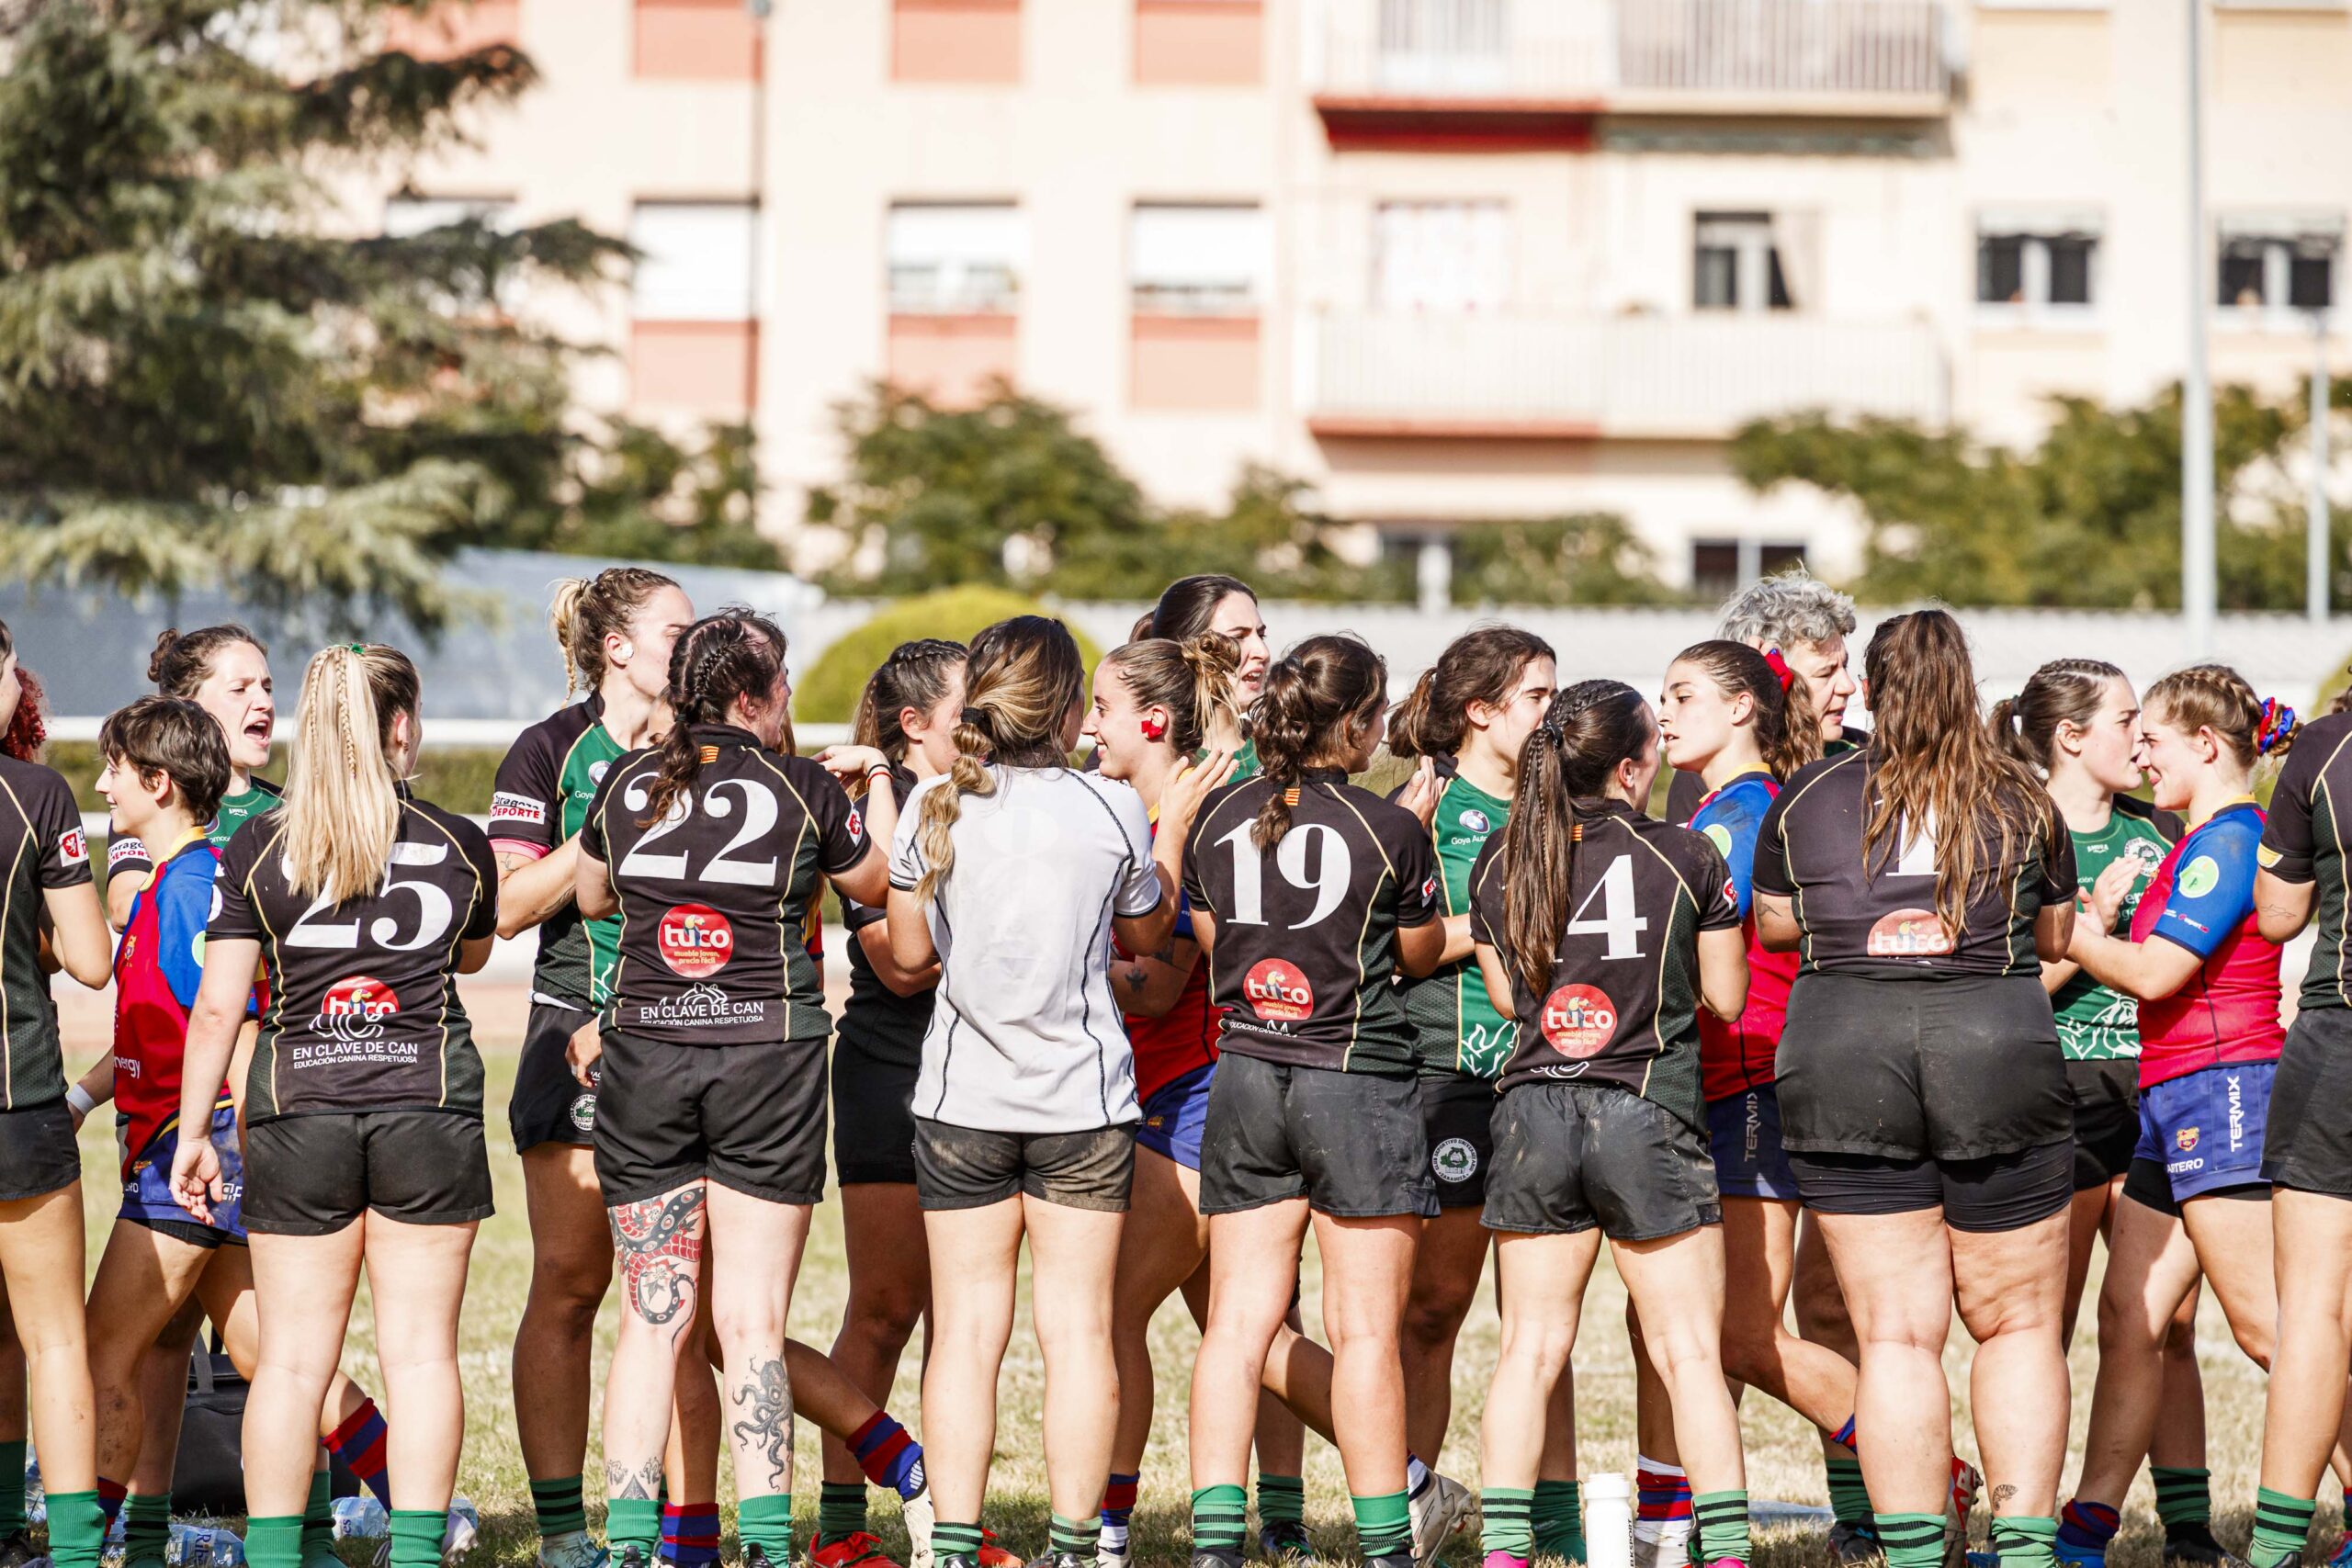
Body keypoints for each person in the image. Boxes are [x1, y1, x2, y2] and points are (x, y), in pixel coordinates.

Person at [1751, 609, 2075, 1568]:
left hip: (1845, 1046)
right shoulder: (2021, 793)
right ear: (1965, 685)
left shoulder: (1808, 792)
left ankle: (1912, 1552)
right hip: (1993, 1044)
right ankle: (2024, 1550)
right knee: (2018, 1326)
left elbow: (1776, 925)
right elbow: (2055, 936)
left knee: (1893, 1336)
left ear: (1871, 688)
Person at [574, 610, 897, 1568]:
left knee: (652, 1315)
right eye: (783, 682)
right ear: (751, 697)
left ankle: (629, 1546)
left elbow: (591, 896)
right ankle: (763, 1547)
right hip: (767, 1059)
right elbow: (877, 884)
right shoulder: (801, 786)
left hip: (646, 1055)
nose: (789, 697)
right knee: (752, 1324)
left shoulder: (627, 780)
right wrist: (878, 781)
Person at [885, 616, 1208, 1568]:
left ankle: (953, 1545)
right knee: (1076, 1332)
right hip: (1082, 1105)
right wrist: (1172, 831)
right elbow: (1146, 937)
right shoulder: (1109, 808)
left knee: (964, 1335)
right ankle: (1074, 1548)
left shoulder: (933, 801)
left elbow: (907, 951)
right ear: (1067, 708)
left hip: (961, 1102)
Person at [169, 643, 499, 1568]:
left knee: (289, 1360)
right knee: (422, 1354)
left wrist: (194, 1133)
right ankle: (418, 1553)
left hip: (298, 1107)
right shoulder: (456, 841)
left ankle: (277, 1556)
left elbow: (219, 1008)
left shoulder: (256, 844)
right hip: (427, 1105)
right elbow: (472, 954)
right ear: (400, 726)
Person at [78, 698, 400, 1568]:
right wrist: (82, 1098)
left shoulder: (191, 890)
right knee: (270, 1354)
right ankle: (413, 1505)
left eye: (115, 769)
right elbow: (158, 1035)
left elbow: (239, 1027)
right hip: (197, 1154)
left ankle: (79, 1542)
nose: (101, 785)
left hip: (195, 1160)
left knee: (100, 1348)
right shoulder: (171, 882)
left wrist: (249, 1151)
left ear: (159, 783)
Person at [2053, 668, 2348, 1568]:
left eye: (2154, 739)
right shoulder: (2190, 839)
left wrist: (2065, 930)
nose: (2139, 755)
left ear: (2208, 745)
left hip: (2224, 1095)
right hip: (2170, 1099)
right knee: (2129, 1317)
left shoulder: (2232, 839)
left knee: (2273, 1329)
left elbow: (2154, 974)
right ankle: (2084, 1531)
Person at [1469, 678, 1753, 1568]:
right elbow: (1727, 997)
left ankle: (1504, 1552)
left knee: (1528, 1350)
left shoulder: (1501, 855)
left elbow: (1507, 998)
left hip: (1532, 1111)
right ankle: (1726, 1554)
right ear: (1630, 769)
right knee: (1689, 1354)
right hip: (1645, 1106)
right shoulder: (1687, 853)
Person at [1182, 634, 1450, 1568]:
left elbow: (1215, 938)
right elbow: (1418, 953)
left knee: (1237, 1324)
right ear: (1359, 726)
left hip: (1248, 1074)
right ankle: (1385, 1545)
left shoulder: (1218, 813)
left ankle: (1216, 1544)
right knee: (1365, 1332)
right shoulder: (1389, 827)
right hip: (1356, 1080)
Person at [1091, 635, 1351, 1568]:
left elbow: (1161, 985)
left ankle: (1107, 1529)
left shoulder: (1203, 810)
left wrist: (1062, 964)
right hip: (1161, 1092)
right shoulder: (1134, 804)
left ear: (1158, 716)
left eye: (1102, 709)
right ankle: (1402, 1479)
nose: (1089, 726)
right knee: (1255, 1337)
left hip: (1198, 1092)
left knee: (1113, 1314)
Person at [1986, 663, 2227, 1568]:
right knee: (2040, 1325)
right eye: (2127, 719)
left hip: (2156, 1087)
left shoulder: (2161, 830)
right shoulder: (2014, 830)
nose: (2142, 737)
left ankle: (2188, 1528)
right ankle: (2027, 1526)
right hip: (2056, 1089)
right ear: (2070, 736)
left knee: (2165, 1321)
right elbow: (2000, 987)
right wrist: (2092, 919)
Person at [491, 570, 708, 1568]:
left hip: (688, 1031)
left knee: (676, 1300)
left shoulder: (708, 744)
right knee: (572, 1284)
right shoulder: (549, 749)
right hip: (572, 1027)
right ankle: (560, 1531)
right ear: (615, 647)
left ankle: (678, 1532)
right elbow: (505, 906)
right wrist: (606, 821)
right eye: (675, 632)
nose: (692, 647)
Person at [1655, 570, 1874, 1561]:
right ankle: (1687, 1519)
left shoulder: (1795, 789)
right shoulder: (1709, 787)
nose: (1846, 689)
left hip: (1791, 1069)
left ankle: (1913, 1486)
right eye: (1829, 671)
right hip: (1743, 1072)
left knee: (1777, 1320)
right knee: (1719, 1324)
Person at [1383, 627, 1566, 1556]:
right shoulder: (1424, 804)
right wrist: (1494, 924)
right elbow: (1394, 944)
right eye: (1537, 697)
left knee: (1544, 1316)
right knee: (1435, 1304)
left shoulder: (1561, 800)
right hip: (1449, 1074)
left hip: (1552, 1076)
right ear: (1480, 712)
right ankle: (1412, 1501)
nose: (1552, 713)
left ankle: (1554, 1515)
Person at [816, 638, 967, 1568]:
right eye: (965, 710)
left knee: (965, 1318)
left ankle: (952, 1523)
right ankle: (840, 1527)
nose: (984, 724)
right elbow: (897, 965)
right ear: (913, 724)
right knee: (883, 1308)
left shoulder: (988, 798)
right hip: (890, 1071)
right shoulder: (873, 807)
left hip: (979, 1076)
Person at [0, 618, 115, 1568]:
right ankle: (72, 1550)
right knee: (51, 1338)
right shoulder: (34, 792)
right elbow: (91, 960)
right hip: (20, 1102)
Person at [2255, 688, 2352, 1568]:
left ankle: (2278, 1546)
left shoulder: (2324, 746)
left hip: (2340, 1038)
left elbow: (2281, 914)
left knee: (2315, 1308)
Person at [107, 627, 280, 929]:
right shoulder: (156, 799)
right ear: (187, 706)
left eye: (266, 688)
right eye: (240, 689)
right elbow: (123, 909)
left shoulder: (291, 809)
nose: (264, 702)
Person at [1139, 576, 1271, 773]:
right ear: (1187, 649)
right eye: (1238, 637)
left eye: (1261, 635)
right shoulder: (1140, 759)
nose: (1263, 652)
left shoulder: (1282, 753)